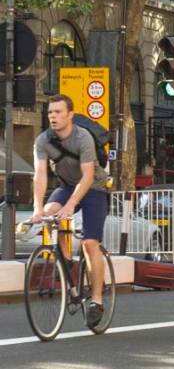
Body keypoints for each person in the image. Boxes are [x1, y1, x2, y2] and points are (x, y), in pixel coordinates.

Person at [31, 94, 109, 327]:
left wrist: (72, 204)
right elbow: (41, 175)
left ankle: (96, 300)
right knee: (50, 211)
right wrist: (37, 208)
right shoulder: (43, 140)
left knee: (89, 243)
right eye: (50, 113)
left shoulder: (82, 137)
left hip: (93, 188)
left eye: (58, 112)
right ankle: (66, 262)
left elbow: (87, 176)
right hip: (66, 186)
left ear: (70, 115)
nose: (53, 117)